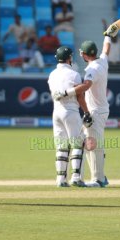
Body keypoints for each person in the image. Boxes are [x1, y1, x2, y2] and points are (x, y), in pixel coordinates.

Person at [53, 27, 117, 187]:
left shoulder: (92, 70)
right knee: (86, 142)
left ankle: (98, 179)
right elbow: (106, 49)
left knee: (93, 144)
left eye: (81, 52)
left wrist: (66, 92)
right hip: (100, 109)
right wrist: (108, 36)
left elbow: (86, 86)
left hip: (95, 111)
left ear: (84, 55)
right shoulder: (102, 60)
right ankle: (81, 176)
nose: (79, 54)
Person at [48, 46, 93, 187]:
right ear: (69, 58)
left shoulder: (52, 74)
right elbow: (80, 96)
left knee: (61, 146)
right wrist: (86, 112)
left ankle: (60, 180)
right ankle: (76, 177)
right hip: (70, 111)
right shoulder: (73, 74)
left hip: (56, 112)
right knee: (78, 143)